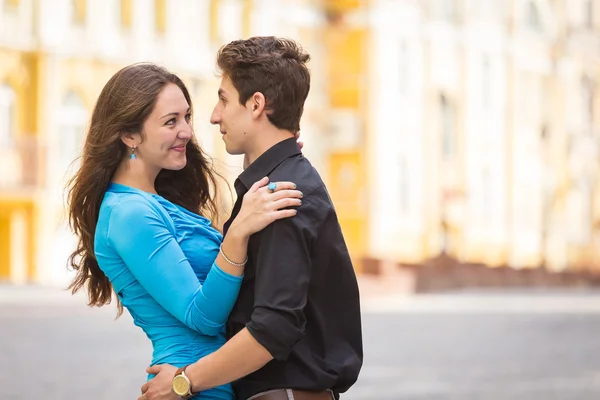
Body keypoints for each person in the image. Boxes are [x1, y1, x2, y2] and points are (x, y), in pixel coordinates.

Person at [141, 37, 363, 400]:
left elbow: (272, 328)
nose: (214, 115)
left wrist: (184, 380)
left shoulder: (281, 196)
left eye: (224, 99)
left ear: (256, 104)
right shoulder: (274, 185)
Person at [66, 62, 304, 400]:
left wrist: (271, 157)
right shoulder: (130, 213)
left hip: (210, 380)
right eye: (170, 122)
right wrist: (236, 234)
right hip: (190, 385)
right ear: (129, 135)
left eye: (187, 117)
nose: (188, 132)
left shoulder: (154, 203)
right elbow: (202, 316)